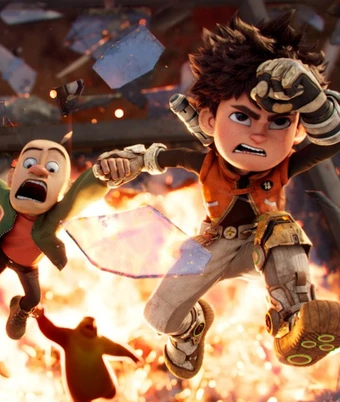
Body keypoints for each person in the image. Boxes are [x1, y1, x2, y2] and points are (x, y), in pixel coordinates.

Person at [95, 12, 340, 379]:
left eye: (278, 123)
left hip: (265, 247)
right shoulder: (207, 162)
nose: (259, 134)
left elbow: (332, 140)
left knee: (282, 230)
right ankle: (190, 328)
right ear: (210, 119)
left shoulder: (283, 166)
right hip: (212, 245)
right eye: (243, 117)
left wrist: (312, 99)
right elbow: (158, 158)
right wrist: (127, 163)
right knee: (158, 317)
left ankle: (293, 320)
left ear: (298, 131)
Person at [0, 139, 109, 340]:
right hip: (2, 254)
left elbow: (79, 194)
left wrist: (102, 176)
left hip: (28, 266)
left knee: (34, 298)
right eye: (29, 163)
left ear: (63, 190)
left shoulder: (54, 216)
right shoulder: (9, 201)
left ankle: (19, 309)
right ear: (12, 177)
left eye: (52, 168)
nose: (38, 170)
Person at [35, 307, 143, 401]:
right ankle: (109, 393)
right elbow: (51, 331)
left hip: (88, 391)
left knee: (106, 394)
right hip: (97, 389)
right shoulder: (83, 338)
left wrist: (40, 317)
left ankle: (109, 393)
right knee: (108, 393)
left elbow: (50, 331)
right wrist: (132, 356)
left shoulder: (73, 337)